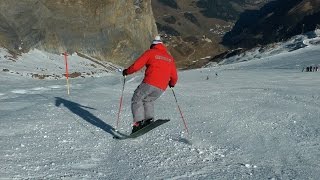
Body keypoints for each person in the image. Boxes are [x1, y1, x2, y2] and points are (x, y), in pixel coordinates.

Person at [122, 35, 178, 134]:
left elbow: (136, 66)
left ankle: (138, 123)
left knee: (137, 98)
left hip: (150, 82)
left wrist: (127, 71)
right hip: (161, 87)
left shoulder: (151, 52)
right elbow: (174, 76)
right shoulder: (169, 58)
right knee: (148, 100)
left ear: (153, 45)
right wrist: (172, 83)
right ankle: (149, 120)